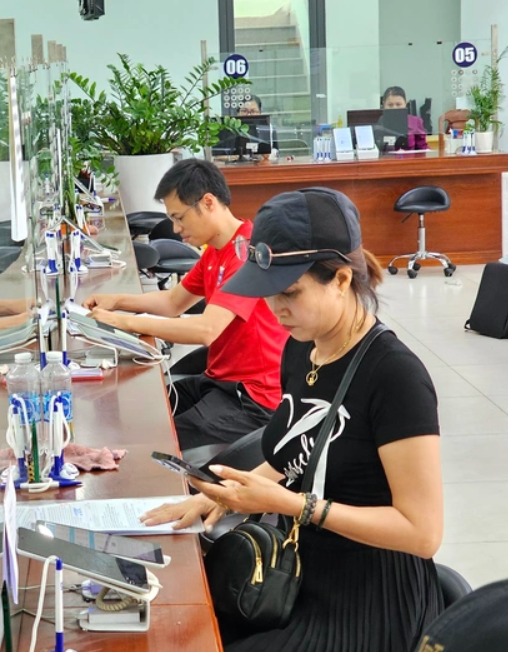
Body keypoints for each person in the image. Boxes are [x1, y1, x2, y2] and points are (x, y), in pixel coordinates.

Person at [142, 187, 443, 652]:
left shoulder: (395, 376)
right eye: (267, 294)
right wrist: (219, 495)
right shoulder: (301, 347)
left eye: (290, 293)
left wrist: (295, 506)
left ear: (340, 279)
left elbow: (423, 533)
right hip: (298, 569)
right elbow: (297, 454)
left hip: (371, 599)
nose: (275, 309)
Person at [83, 160, 288, 450]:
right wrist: (117, 301)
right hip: (219, 381)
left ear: (208, 203)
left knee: (151, 441)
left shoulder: (246, 253)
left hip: (252, 399)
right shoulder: (216, 250)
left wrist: (123, 322)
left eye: (179, 217)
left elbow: (207, 330)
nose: (176, 228)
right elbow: (173, 301)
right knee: (146, 408)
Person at [381, 86, 429, 150]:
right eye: (390, 105)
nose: (394, 108)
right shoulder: (378, 122)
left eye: (398, 104)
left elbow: (423, 148)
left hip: (409, 156)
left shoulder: (416, 122)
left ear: (405, 103)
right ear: (384, 104)